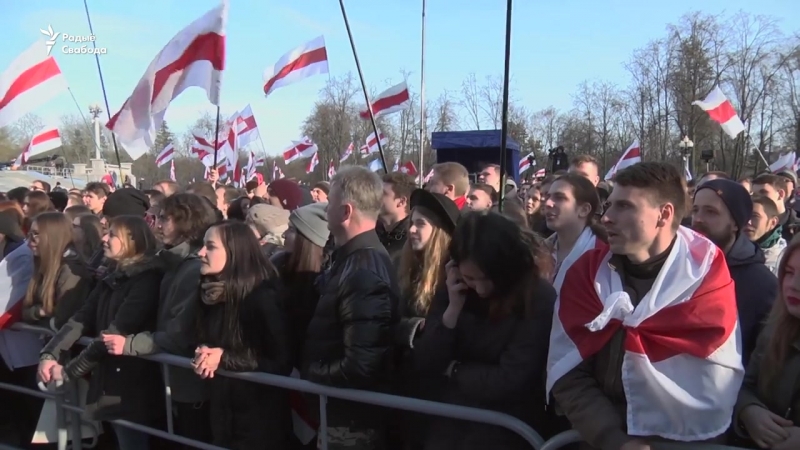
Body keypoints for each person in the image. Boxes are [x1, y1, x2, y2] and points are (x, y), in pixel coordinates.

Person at [549, 162, 743, 449]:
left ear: (664, 215)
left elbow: (714, 383)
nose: (607, 218)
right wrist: (613, 438)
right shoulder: (586, 275)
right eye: (610, 205)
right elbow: (568, 372)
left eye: (624, 206)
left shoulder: (707, 280)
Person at [414, 212, 556, 448]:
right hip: (450, 426)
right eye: (471, 278)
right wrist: (452, 310)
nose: (479, 289)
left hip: (506, 429)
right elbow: (426, 361)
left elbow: (512, 378)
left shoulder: (537, 296)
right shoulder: (454, 289)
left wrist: (455, 371)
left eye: (487, 279)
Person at [37, 215, 165, 450]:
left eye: (112, 235)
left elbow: (114, 332)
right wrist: (50, 353)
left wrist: (68, 372)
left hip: (133, 388)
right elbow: (81, 317)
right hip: (111, 383)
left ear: (132, 241)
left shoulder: (146, 280)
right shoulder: (113, 275)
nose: (104, 239)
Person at [103, 193, 218, 446]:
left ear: (185, 223)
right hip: (170, 383)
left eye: (164, 219)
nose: (157, 224)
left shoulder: (191, 269)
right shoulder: (171, 263)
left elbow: (179, 335)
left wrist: (129, 344)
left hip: (189, 388)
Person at [303, 166, 399, 449]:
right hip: (340, 412)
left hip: (350, 422)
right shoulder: (351, 259)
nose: (324, 208)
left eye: (329, 202)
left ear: (345, 212)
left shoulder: (363, 271)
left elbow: (362, 365)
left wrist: (311, 373)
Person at [193, 221, 292, 449]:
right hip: (224, 413)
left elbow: (281, 361)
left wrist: (224, 358)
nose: (200, 253)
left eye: (210, 246)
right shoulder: (210, 293)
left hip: (259, 421)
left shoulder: (261, 297)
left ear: (235, 252)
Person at [693, 178, 778, 364]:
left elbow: (764, 359)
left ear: (735, 223)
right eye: (695, 210)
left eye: (711, 212)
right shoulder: (681, 266)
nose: (698, 219)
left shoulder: (762, 285)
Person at [734, 239, 800, 450]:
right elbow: (743, 384)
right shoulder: (774, 328)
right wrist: (748, 410)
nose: (794, 285)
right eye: (789, 272)